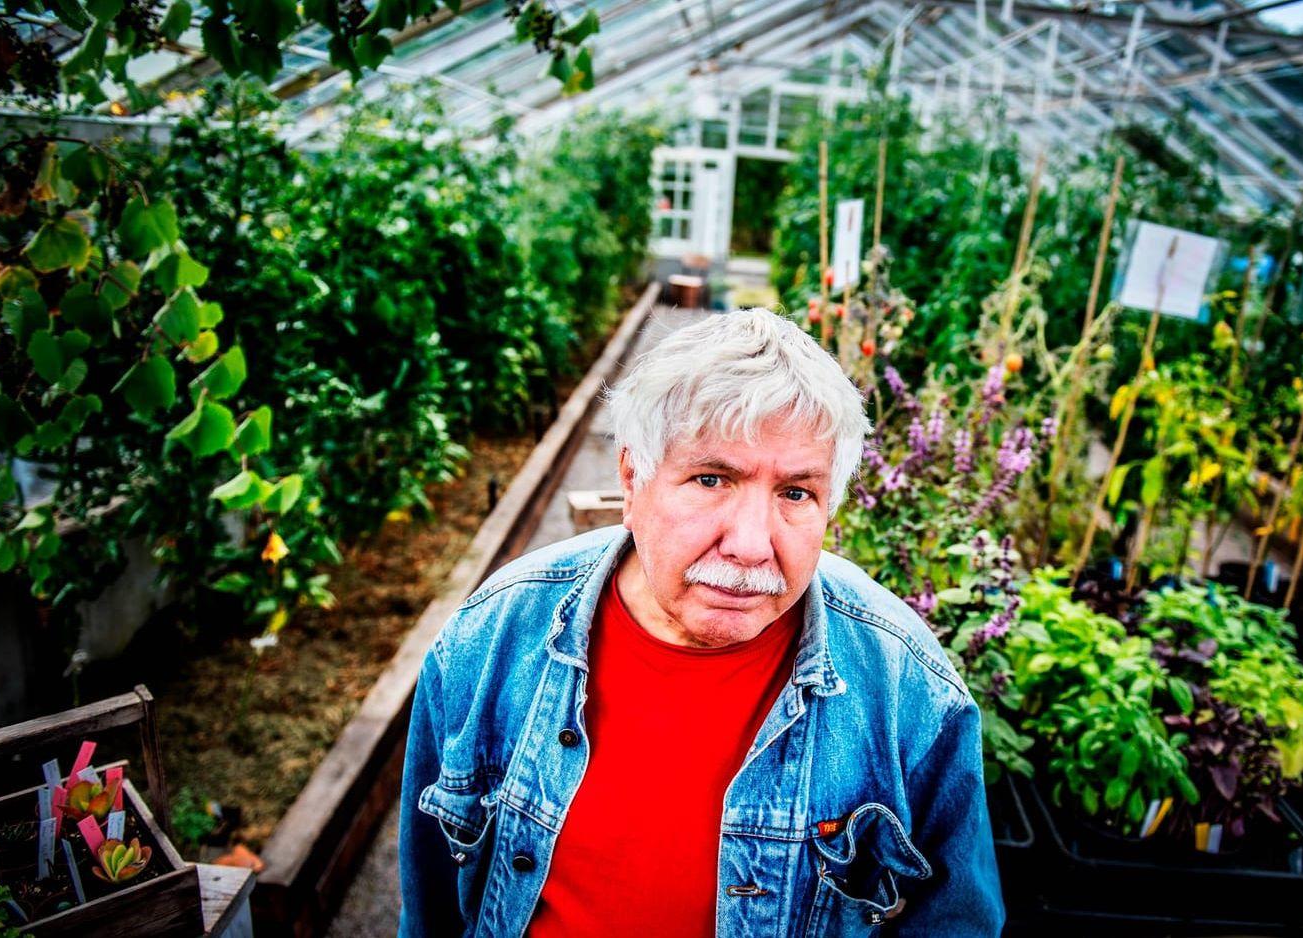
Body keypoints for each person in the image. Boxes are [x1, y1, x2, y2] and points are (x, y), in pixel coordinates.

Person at [398, 308, 1004, 936]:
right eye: (711, 479)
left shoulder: (908, 688)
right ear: (632, 479)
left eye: (796, 493)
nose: (750, 544)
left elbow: (958, 920)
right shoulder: (492, 636)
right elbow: (430, 904)